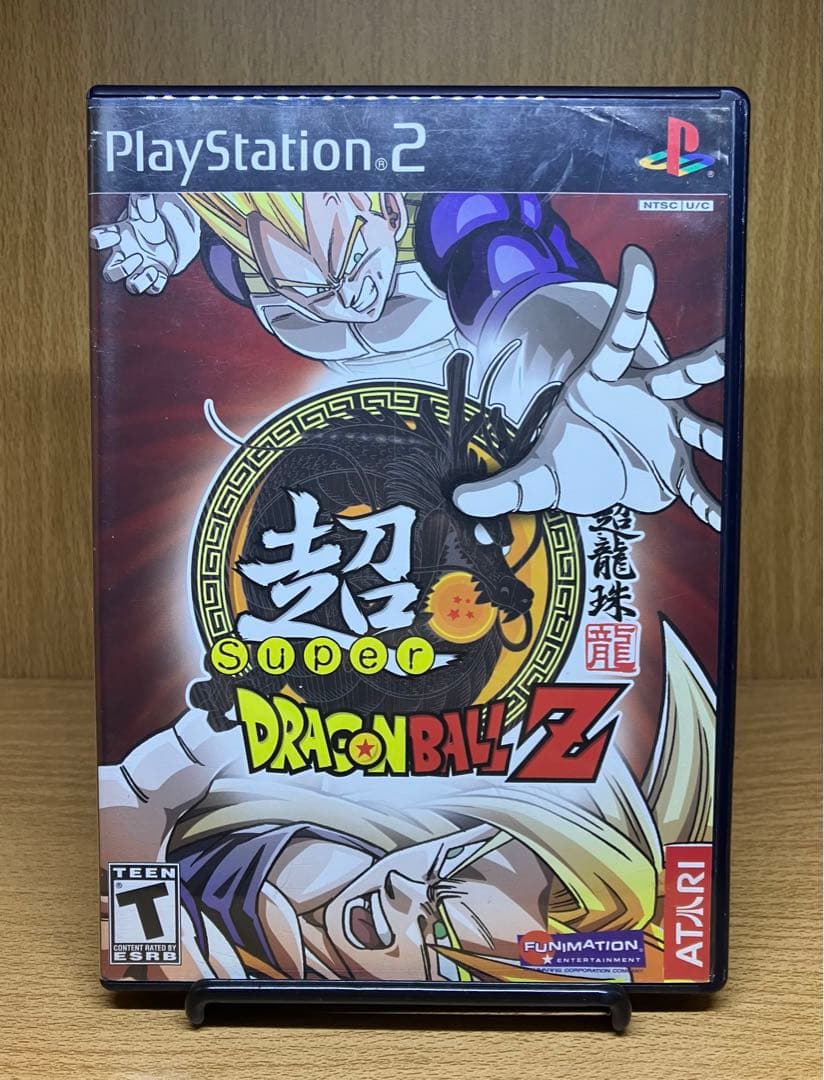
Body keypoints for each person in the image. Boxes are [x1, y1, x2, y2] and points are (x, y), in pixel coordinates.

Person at [99, 619, 714, 983]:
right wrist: (193, 745)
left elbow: (133, 933)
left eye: (441, 933)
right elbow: (123, 810)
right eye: (442, 869)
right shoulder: (312, 834)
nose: (404, 893)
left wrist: (159, 940)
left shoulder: (220, 959)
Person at [91, 191, 724, 530]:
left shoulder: (453, 214)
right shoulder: (242, 267)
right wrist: (168, 218)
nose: (345, 297)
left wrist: (573, 355)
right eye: (308, 289)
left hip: (504, 430)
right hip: (381, 463)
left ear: (389, 211)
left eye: (351, 262)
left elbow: (507, 270)